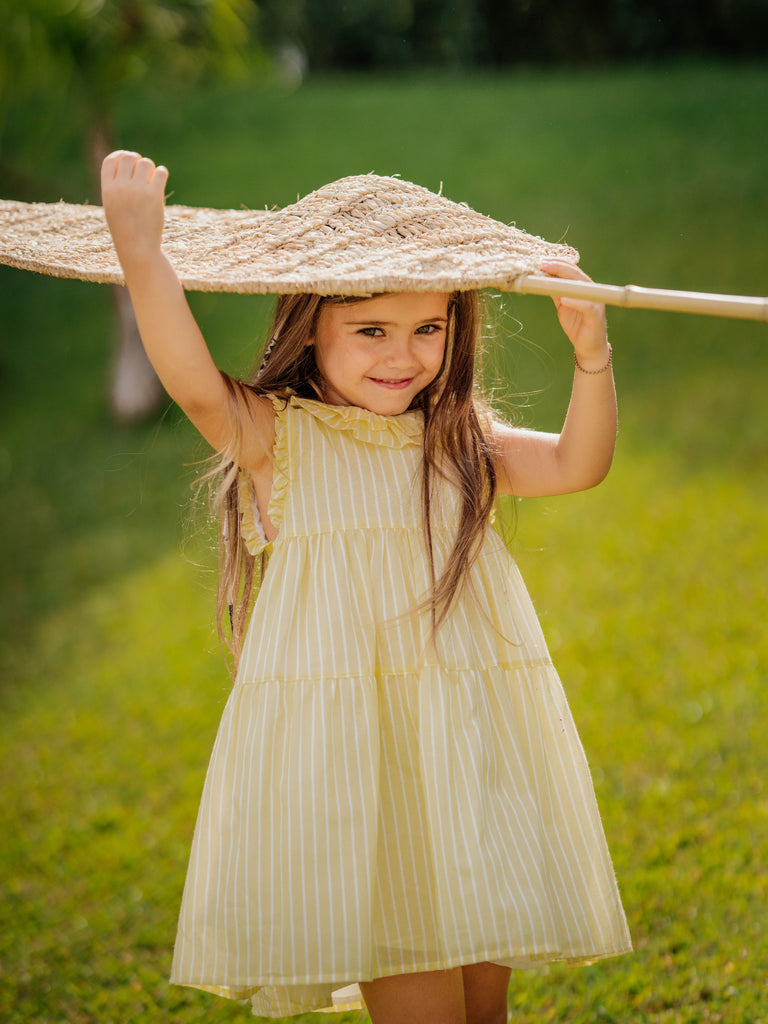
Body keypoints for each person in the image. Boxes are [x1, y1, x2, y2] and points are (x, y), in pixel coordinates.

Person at [101, 150, 631, 1024]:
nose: (405, 356)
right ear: (313, 327)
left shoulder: (458, 440)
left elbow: (579, 464)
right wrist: (142, 253)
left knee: (485, 1012)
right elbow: (193, 383)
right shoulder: (283, 440)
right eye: (372, 330)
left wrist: (592, 352)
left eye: (428, 328)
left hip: (467, 757)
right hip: (375, 782)